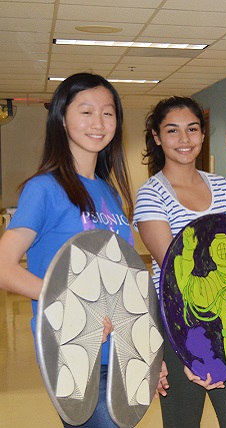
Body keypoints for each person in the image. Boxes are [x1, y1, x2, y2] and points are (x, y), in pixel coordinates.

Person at [0, 72, 135, 427]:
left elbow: (121, 281)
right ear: (62, 118)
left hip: (118, 351)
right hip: (72, 345)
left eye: (108, 112)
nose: (99, 122)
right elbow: (4, 267)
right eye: (86, 111)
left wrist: (144, 351)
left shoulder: (110, 194)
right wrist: (73, 300)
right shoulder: (44, 189)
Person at [133, 96, 226, 428]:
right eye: (172, 131)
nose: (184, 140)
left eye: (192, 129)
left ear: (203, 135)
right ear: (157, 137)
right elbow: (175, 270)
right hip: (181, 325)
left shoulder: (224, 188)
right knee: (182, 422)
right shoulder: (152, 195)